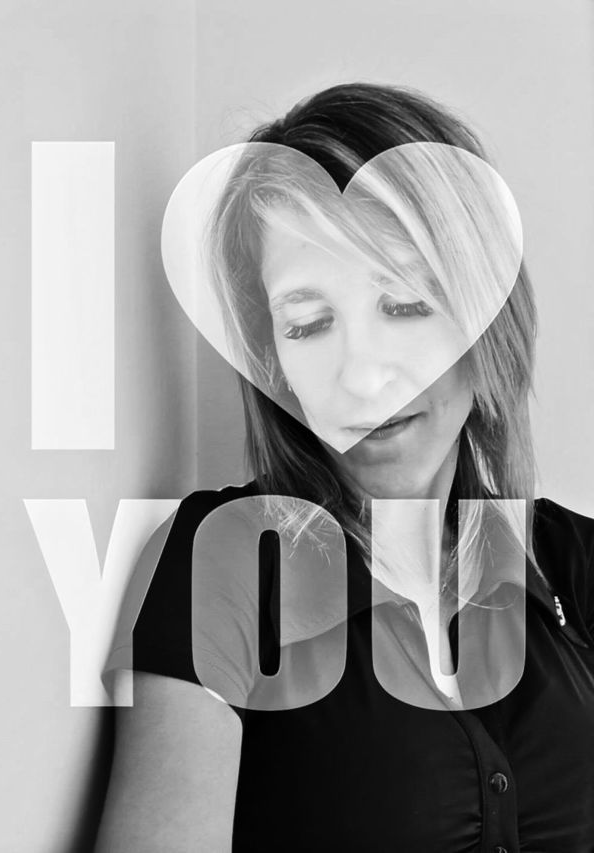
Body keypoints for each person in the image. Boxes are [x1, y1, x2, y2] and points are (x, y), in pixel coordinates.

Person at [95, 83, 594, 853]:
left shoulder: (576, 565)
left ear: (485, 314)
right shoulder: (226, 562)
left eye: (404, 305)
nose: (361, 377)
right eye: (309, 323)